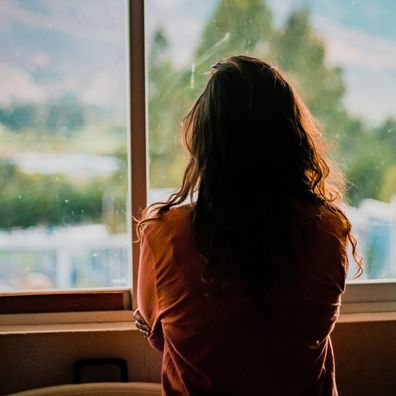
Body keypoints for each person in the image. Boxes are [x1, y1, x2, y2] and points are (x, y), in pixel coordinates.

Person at [134, 55, 362, 396]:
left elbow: (155, 329)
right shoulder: (330, 231)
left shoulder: (165, 235)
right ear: (292, 138)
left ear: (206, 143)